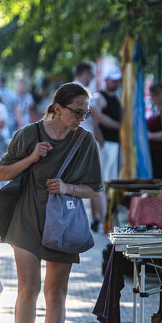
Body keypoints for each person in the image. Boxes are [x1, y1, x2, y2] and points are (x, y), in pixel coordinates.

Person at [0, 83, 103, 323]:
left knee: (56, 293)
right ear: (58, 108)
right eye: (77, 112)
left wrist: (68, 187)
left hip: (63, 223)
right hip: (27, 218)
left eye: (86, 112)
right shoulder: (29, 134)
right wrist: (31, 158)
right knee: (27, 289)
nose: (82, 117)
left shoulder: (85, 142)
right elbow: (2, 174)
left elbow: (96, 189)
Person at [72, 62, 103, 229]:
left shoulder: (73, 89)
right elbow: (95, 117)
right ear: (84, 73)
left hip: (80, 140)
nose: (92, 78)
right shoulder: (80, 91)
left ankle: (96, 219)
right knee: (91, 181)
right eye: (91, 74)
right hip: (82, 140)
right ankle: (102, 220)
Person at [91, 67, 124, 228]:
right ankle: (105, 219)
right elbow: (96, 116)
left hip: (113, 143)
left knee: (107, 182)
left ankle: (102, 218)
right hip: (105, 144)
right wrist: (117, 126)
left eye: (118, 81)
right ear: (107, 80)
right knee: (102, 182)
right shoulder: (100, 97)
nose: (117, 83)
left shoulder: (115, 98)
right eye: (114, 80)